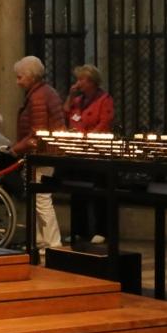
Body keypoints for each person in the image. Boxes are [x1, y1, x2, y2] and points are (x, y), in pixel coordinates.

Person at [10, 55, 65, 251]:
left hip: (44, 152)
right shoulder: (43, 92)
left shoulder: (39, 96)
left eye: (19, 77)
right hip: (46, 151)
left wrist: (15, 150)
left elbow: (37, 132)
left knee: (42, 198)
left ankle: (53, 244)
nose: (17, 82)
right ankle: (41, 241)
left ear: (30, 76)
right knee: (38, 198)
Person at [64, 65, 114, 245]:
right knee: (77, 191)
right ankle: (79, 230)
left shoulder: (104, 99)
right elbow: (67, 112)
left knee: (99, 191)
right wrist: (70, 96)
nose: (77, 83)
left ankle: (102, 230)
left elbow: (105, 121)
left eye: (80, 80)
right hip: (78, 152)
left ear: (91, 81)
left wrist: (89, 138)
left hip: (96, 152)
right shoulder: (78, 100)